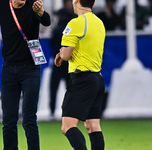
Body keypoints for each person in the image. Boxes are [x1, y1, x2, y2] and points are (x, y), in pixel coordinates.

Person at [0, 0, 51, 150]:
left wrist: (40, 12)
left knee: (29, 119)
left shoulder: (34, 4)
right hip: (9, 69)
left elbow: (47, 22)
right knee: (8, 120)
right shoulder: (0, 6)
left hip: (31, 69)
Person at [55, 0, 106, 150]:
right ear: (94, 2)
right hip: (97, 78)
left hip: (82, 79)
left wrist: (60, 53)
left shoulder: (76, 23)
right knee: (92, 126)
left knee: (68, 126)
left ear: (76, 1)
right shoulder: (99, 23)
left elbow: (66, 54)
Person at [49, 0, 75, 118]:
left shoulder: (56, 30)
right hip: (69, 63)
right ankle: (71, 111)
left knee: (53, 88)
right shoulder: (71, 31)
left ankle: (52, 110)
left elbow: (52, 44)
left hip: (57, 62)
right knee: (70, 89)